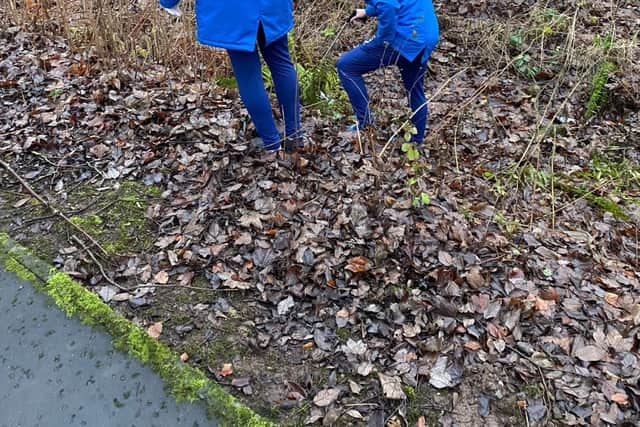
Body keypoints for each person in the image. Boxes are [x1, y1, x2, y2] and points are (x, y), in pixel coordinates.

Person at [159, 0, 304, 153]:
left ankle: (272, 145)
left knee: (248, 75)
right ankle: (294, 135)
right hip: (272, 5)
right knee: (281, 64)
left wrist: (168, 2)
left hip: (232, 10)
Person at [337, 0, 439, 144]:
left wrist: (382, 39)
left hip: (407, 35)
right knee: (414, 89)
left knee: (346, 66)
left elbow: (389, 5)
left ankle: (365, 125)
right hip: (425, 33)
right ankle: (416, 142)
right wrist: (367, 11)